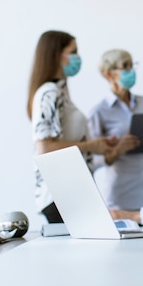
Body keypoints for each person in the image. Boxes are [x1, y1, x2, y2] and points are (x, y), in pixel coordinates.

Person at [27, 30, 115, 223]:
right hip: (60, 194)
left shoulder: (60, 92)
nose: (78, 57)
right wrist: (92, 146)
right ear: (56, 54)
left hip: (70, 191)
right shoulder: (50, 93)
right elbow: (45, 147)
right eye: (73, 51)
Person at [88, 49, 143, 209]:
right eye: (125, 66)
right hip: (121, 197)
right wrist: (117, 151)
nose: (131, 71)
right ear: (109, 74)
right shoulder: (99, 112)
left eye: (132, 65)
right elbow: (91, 160)